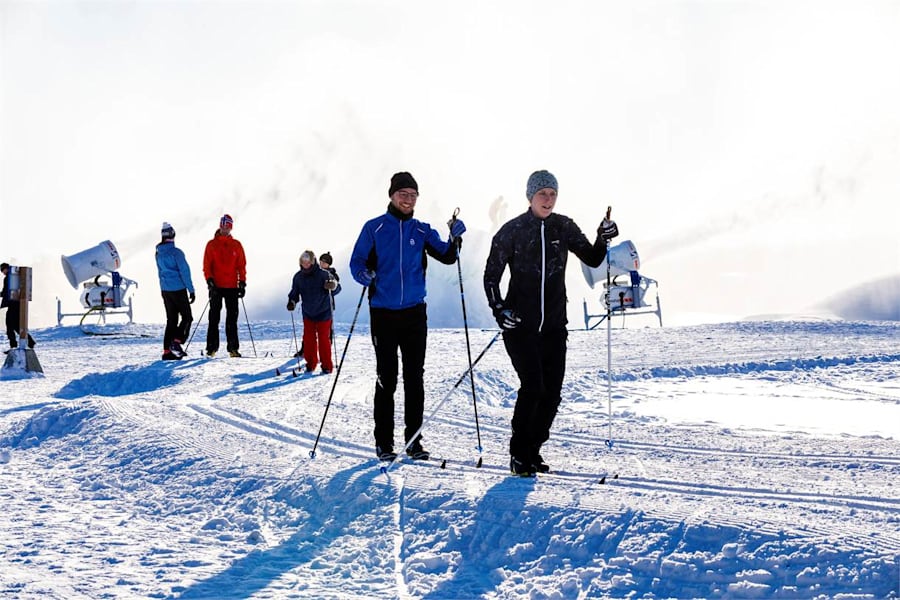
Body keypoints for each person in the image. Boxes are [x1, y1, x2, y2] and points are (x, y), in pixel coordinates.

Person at [483, 170, 619, 476]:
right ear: (530, 196)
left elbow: (594, 258)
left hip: (555, 327)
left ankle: (533, 451)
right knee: (533, 387)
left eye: (553, 194)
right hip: (521, 327)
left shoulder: (563, 227)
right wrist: (500, 309)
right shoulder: (512, 231)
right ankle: (518, 454)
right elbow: (491, 276)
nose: (549, 199)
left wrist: (603, 235)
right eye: (543, 193)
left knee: (552, 393)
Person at [350, 171, 467, 462]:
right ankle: (384, 443)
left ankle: (414, 441)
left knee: (415, 377)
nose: (408, 199)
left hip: (415, 313)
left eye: (413, 195)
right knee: (387, 378)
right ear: (391, 195)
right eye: (403, 194)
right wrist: (364, 274)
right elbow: (357, 262)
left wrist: (455, 237)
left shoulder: (422, 230)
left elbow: (448, 256)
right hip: (384, 313)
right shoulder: (374, 228)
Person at [287, 250, 341, 373]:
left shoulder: (324, 274)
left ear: (312, 261)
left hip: (324, 312)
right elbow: (294, 293)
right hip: (308, 313)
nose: (305, 264)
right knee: (308, 339)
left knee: (323, 340)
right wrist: (292, 301)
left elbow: (337, 288)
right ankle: (310, 364)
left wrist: (333, 285)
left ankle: (327, 366)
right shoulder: (298, 277)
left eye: (307, 261)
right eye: (303, 261)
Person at [203, 214, 247, 358]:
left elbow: (241, 265)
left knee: (232, 319)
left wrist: (242, 282)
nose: (225, 229)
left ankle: (233, 349)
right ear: (220, 226)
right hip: (216, 286)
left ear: (231, 227)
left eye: (227, 226)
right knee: (214, 318)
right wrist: (209, 280)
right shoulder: (211, 244)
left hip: (232, 286)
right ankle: (211, 348)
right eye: (223, 226)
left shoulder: (237, 245)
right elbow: (207, 265)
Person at [154, 222, 195, 360]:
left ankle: (167, 351)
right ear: (173, 235)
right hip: (178, 288)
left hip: (165, 290)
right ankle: (176, 343)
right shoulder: (176, 253)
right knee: (187, 317)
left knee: (171, 320)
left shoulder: (158, 254)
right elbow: (185, 271)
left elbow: (160, 272)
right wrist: (191, 289)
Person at [1, 262, 36, 350]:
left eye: (2, 270)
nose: (2, 272)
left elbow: (6, 292)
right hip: (18, 304)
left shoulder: (8, 278)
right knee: (16, 326)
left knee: (10, 325)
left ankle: (13, 346)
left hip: (12, 305)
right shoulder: (17, 277)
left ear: (6, 268)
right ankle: (30, 342)